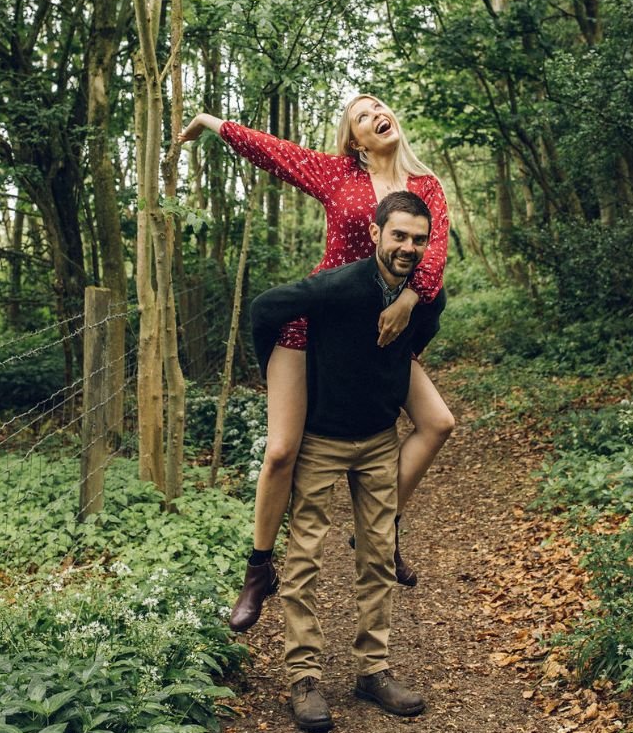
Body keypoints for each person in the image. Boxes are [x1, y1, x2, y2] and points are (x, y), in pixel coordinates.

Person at [179, 96, 454, 632]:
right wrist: (213, 123)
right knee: (282, 450)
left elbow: (436, 252)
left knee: (438, 422)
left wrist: (409, 298)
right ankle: (259, 569)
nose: (375, 111)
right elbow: (273, 152)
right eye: (360, 113)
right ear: (355, 139)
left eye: (380, 104)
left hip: (381, 331)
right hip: (318, 322)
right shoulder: (336, 174)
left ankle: (381, 529)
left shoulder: (427, 187)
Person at [248, 191, 444, 733]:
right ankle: (304, 677)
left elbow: (419, 339)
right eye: (398, 235)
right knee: (306, 553)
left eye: (418, 239)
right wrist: (280, 371)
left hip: (380, 437)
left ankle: (373, 670)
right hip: (322, 438)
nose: (408, 247)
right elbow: (266, 309)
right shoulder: (340, 285)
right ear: (377, 233)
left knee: (378, 553)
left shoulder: (424, 296)